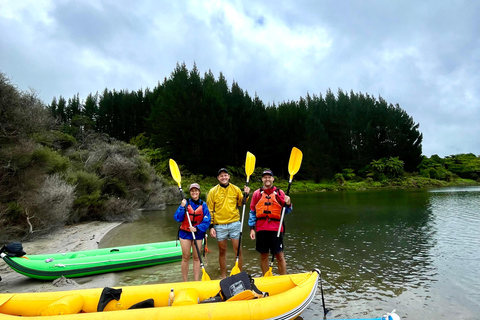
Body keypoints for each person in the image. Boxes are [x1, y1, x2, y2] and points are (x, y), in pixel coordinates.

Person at [207, 168, 250, 278]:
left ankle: (240, 275)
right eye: (221, 176)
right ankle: (223, 276)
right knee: (222, 251)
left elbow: (241, 203)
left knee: (238, 250)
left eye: (225, 175)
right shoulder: (212, 191)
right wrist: (211, 227)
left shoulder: (235, 189)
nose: (224, 177)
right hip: (220, 225)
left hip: (234, 223)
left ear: (229, 176)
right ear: (218, 178)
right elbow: (209, 210)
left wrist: (246, 194)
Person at [248, 169, 292, 275]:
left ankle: (283, 278)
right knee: (263, 255)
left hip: (276, 228)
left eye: (269, 177)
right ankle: (266, 278)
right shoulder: (256, 194)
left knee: (279, 255)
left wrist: (288, 203)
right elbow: (252, 212)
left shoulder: (279, 193)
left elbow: (287, 211)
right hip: (261, 228)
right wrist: (252, 229)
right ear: (262, 179)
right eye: (265, 177)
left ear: (272, 179)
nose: (267, 179)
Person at [173, 183, 211, 281]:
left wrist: (197, 228)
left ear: (199, 192)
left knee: (196, 257)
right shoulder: (185, 203)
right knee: (185, 257)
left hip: (197, 234)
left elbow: (207, 220)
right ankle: (185, 281)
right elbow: (177, 218)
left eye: (196, 190)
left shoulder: (203, 205)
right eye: (192, 191)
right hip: (185, 234)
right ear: (190, 192)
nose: (194, 192)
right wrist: (182, 207)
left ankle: (196, 280)